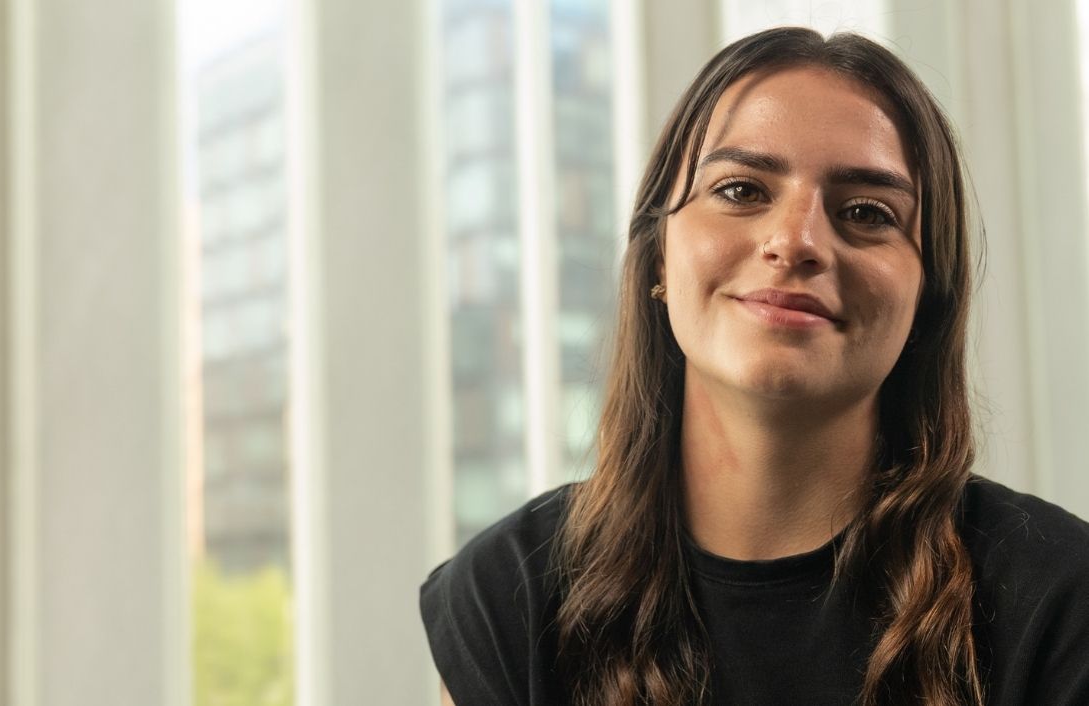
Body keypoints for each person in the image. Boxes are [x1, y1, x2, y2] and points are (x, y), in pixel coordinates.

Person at [419, 26, 1089, 706]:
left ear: (928, 295)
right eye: (741, 191)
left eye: (865, 211)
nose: (794, 241)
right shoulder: (509, 599)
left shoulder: (1063, 601)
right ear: (658, 254)